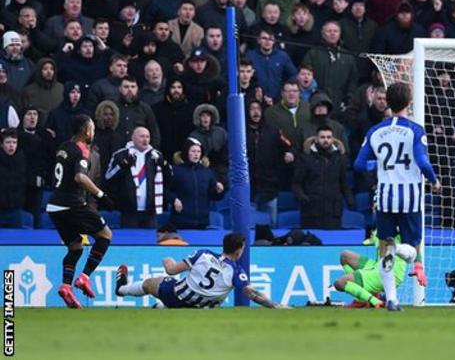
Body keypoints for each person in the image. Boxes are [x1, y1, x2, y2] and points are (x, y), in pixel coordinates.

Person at [354, 82, 441, 311]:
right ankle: (398, 250)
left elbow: (359, 164)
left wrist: (380, 165)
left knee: (384, 249)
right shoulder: (415, 130)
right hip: (410, 198)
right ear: (409, 101)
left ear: (387, 103)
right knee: (412, 249)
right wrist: (433, 180)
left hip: (384, 198)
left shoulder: (375, 131)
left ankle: (392, 299)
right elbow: (422, 162)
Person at [46, 114, 115, 309]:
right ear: (86, 131)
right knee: (106, 235)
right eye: (92, 128)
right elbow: (80, 177)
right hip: (71, 204)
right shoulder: (81, 150)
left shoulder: (63, 147)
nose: (93, 132)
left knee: (75, 247)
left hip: (54, 207)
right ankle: (84, 277)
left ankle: (66, 286)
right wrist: (101, 195)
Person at [115, 232, 284, 308]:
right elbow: (252, 293)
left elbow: (172, 270)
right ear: (239, 251)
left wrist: (168, 261)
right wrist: (274, 305)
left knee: (149, 283)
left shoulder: (203, 254)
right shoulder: (236, 272)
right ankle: (160, 308)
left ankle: (121, 289)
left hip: (176, 296)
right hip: (202, 307)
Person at [105, 127, 172, 228]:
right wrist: (123, 165)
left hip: (150, 212)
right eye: (142, 136)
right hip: (129, 211)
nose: (145, 140)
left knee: (150, 242)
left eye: (147, 137)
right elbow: (108, 177)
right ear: (133, 138)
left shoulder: (156, 155)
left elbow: (170, 178)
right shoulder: (121, 154)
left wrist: (164, 165)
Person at [292, 125, 353, 229]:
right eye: (322, 137)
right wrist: (304, 198)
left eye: (329, 137)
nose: (326, 140)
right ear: (316, 139)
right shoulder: (305, 158)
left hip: (333, 211)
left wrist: (350, 200)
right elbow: (296, 183)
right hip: (311, 211)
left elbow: (343, 183)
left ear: (333, 139)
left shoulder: (339, 159)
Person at [334, 236, 416, 308]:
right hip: (378, 266)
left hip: (391, 271)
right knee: (344, 256)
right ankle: (364, 298)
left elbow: (415, 244)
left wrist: (418, 266)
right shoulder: (380, 226)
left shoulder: (398, 226)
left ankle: (375, 301)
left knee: (340, 283)